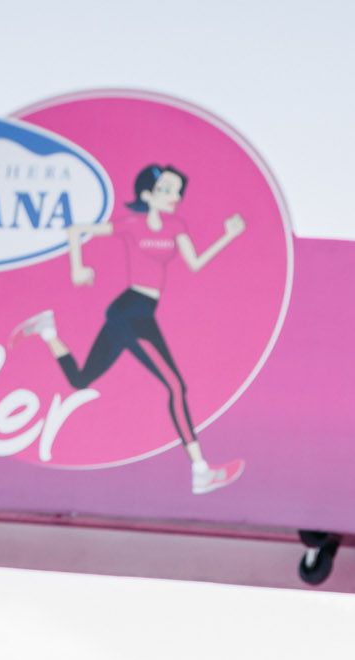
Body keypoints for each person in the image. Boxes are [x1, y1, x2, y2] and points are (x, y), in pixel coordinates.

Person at [13, 163, 247, 495]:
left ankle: (48, 330)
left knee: (80, 379)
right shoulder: (132, 224)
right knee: (176, 386)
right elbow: (76, 229)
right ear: (147, 194)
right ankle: (200, 470)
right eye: (166, 189)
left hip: (136, 312)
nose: (175, 196)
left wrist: (227, 236)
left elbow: (194, 263)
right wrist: (77, 268)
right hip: (131, 311)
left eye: (178, 191)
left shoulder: (176, 225)